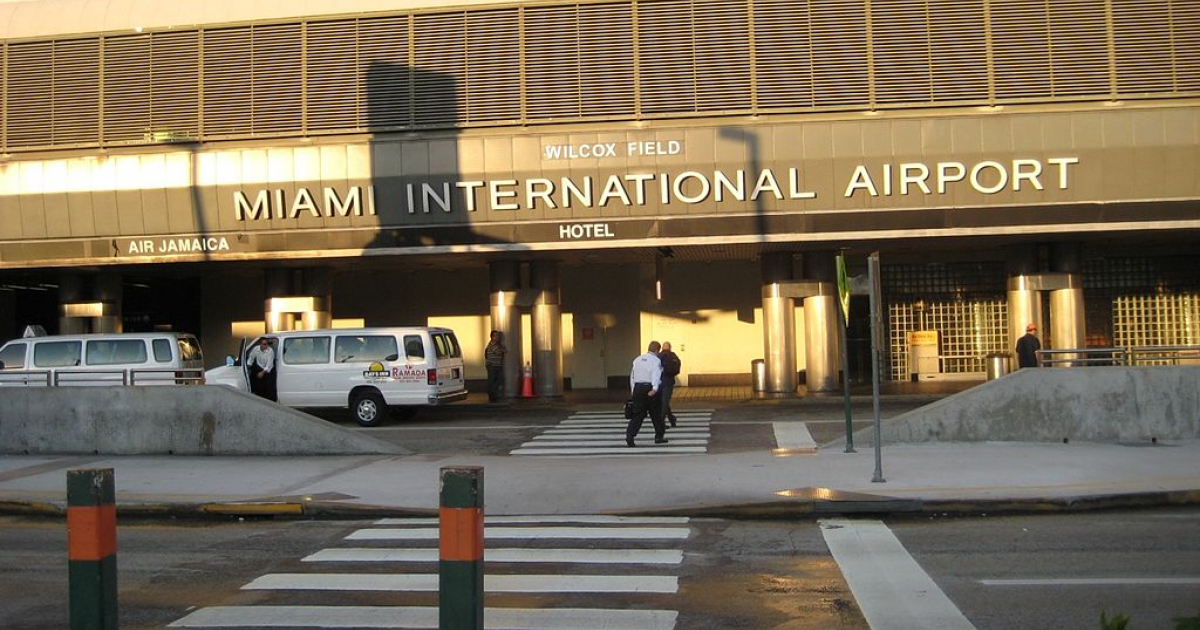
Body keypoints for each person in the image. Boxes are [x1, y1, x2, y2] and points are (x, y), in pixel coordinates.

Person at [626, 340, 666, 447]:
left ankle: (630, 435)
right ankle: (659, 436)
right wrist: (655, 388)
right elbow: (656, 374)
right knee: (656, 414)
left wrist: (633, 390)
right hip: (649, 388)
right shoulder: (655, 360)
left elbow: (632, 377)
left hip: (638, 388)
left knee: (638, 414)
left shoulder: (637, 360)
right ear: (657, 350)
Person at [658, 341, 681, 428]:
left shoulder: (658, 356)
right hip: (669, 381)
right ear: (670, 347)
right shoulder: (673, 356)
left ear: (662, 348)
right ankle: (671, 419)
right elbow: (677, 369)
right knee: (665, 401)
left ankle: (661, 422)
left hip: (658, 381)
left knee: (662, 401)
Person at [484, 330, 506, 402]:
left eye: (498, 336)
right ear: (492, 337)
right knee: (492, 381)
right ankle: (492, 397)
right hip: (492, 366)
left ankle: (494, 395)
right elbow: (499, 352)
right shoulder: (492, 345)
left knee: (496, 381)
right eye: (496, 336)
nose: (498, 337)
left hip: (496, 365)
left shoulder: (496, 345)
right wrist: (502, 350)